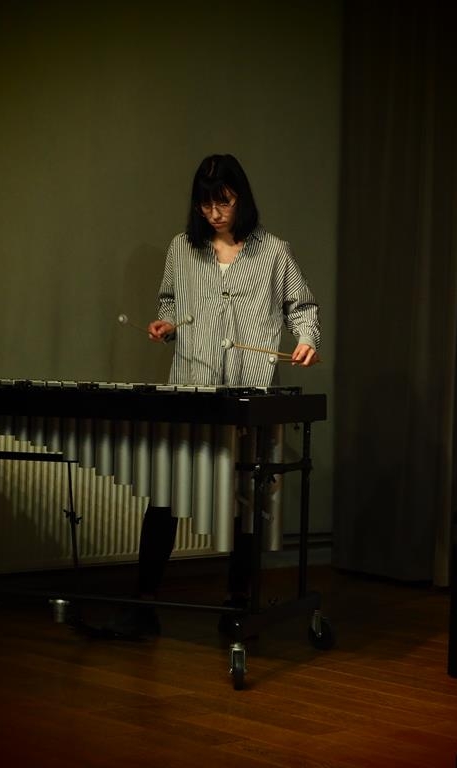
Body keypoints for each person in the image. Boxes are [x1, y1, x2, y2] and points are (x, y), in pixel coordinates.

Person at [74, 154, 321, 640]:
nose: (214, 213)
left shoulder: (274, 252)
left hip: (249, 395)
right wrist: (165, 325)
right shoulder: (181, 249)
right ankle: (144, 605)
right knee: (165, 496)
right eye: (205, 204)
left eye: (223, 202)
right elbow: (169, 300)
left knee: (246, 501)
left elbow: (302, 306)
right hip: (191, 390)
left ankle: (237, 604)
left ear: (241, 198)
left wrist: (307, 338)